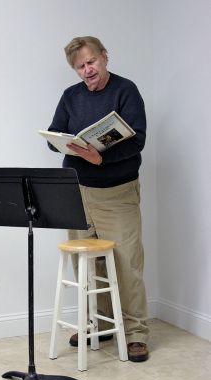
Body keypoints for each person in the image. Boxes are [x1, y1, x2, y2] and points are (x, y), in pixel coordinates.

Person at [47, 36, 149, 362]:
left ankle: (135, 334)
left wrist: (100, 158)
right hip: (77, 192)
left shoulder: (125, 90)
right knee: (86, 265)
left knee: (127, 264)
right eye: (80, 66)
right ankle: (100, 323)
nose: (87, 70)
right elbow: (54, 135)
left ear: (105, 57)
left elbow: (138, 140)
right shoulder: (70, 97)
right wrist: (65, 144)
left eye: (91, 62)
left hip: (117, 192)